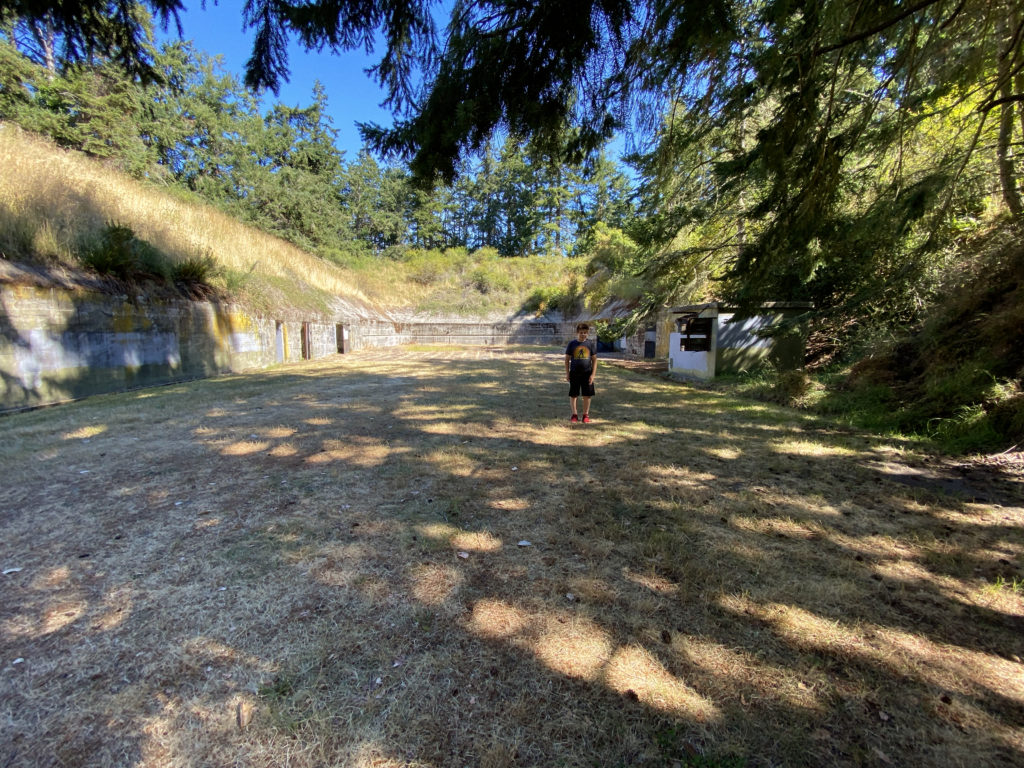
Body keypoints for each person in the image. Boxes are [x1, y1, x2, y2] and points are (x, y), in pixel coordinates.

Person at [565, 322, 597, 423]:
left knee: (587, 395)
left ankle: (585, 415)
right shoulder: (572, 344)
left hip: (587, 373)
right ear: (577, 333)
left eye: (585, 333)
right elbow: (566, 360)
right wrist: (567, 373)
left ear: (587, 333)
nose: (583, 334)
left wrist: (593, 375)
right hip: (574, 373)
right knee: (574, 394)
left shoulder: (590, 344)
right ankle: (574, 415)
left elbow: (594, 360)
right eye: (581, 332)